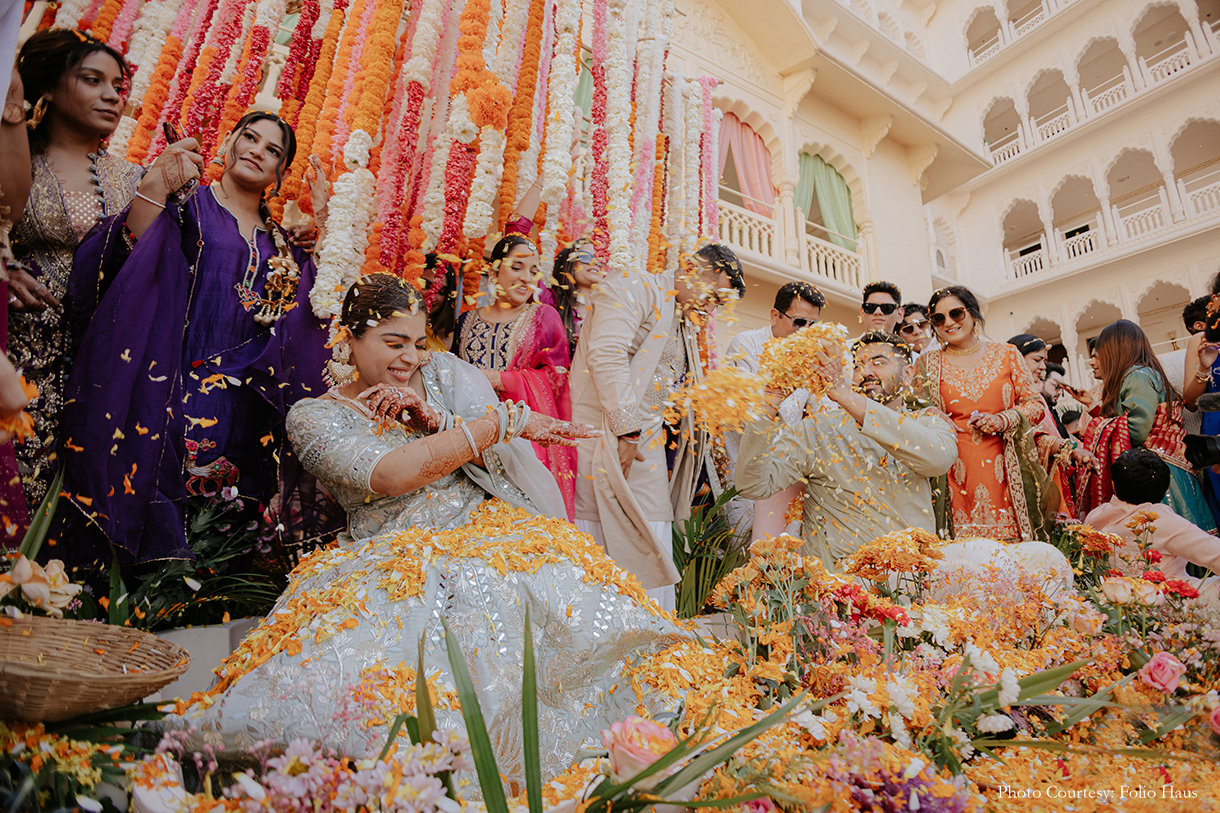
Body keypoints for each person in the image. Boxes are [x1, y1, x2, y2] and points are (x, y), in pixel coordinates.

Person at [172, 274, 689, 789]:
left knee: (580, 619)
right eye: (392, 343)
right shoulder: (315, 416)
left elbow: (498, 449)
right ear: (348, 339)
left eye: (418, 343)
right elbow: (393, 475)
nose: (409, 358)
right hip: (391, 556)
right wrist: (493, 425)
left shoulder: (440, 373)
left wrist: (441, 421)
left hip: (494, 532)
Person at [56, 112, 333, 568]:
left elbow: (310, 316)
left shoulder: (284, 244)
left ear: (281, 174)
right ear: (226, 143)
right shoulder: (190, 207)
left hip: (246, 415)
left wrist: (322, 227)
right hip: (170, 393)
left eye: (272, 151)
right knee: (157, 531)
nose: (256, 151)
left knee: (224, 547)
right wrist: (157, 185)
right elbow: (130, 250)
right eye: (249, 138)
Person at [7, 30, 165, 507]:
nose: (112, 96)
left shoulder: (134, 177)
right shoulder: (18, 158)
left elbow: (154, 262)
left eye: (118, 86)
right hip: (17, 349)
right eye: (93, 80)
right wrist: (5, 269)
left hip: (97, 363)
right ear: (49, 88)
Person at [570, 243, 744, 611]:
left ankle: (646, 652)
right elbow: (606, 353)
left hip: (645, 453)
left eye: (719, 302)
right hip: (608, 442)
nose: (711, 307)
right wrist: (627, 430)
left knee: (650, 549)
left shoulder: (682, 317)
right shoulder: (635, 285)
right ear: (690, 268)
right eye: (713, 295)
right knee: (605, 551)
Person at [735, 330, 957, 567]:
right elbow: (753, 486)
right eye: (858, 365)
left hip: (909, 579)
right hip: (840, 586)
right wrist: (766, 407)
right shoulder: (817, 430)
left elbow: (939, 459)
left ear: (908, 374)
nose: (866, 372)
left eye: (879, 362)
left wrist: (846, 397)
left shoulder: (927, 423)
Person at [916, 286, 1061, 541]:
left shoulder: (1006, 354)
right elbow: (912, 408)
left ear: (973, 314)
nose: (948, 322)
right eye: (938, 319)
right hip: (952, 473)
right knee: (961, 559)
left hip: (1006, 469)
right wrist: (931, 413)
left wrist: (1001, 420)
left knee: (1010, 558)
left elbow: (1035, 404)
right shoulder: (926, 364)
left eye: (956, 314)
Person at [454, 234, 576, 519]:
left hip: (523, 441)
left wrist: (500, 379)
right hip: (469, 443)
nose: (526, 278)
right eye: (517, 267)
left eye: (534, 271)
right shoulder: (465, 322)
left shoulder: (543, 317)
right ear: (493, 270)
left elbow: (557, 378)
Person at [1081, 320, 1214, 533]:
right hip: (1168, 470)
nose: (1093, 361)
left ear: (1116, 350)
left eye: (1100, 353)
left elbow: (1136, 429)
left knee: (1168, 540)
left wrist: (1098, 426)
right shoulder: (1145, 373)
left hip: (1159, 473)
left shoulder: (1136, 376)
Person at [723, 281, 824, 539]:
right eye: (800, 322)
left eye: (814, 326)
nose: (806, 333)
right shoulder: (745, 345)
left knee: (781, 553)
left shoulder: (812, 356)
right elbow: (743, 410)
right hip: (743, 468)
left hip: (785, 476)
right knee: (742, 550)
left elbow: (819, 413)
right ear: (775, 315)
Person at [1086, 448, 1220, 583]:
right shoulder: (1161, 520)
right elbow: (1216, 555)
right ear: (1167, 487)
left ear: (1113, 485)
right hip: (1164, 598)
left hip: (1108, 596)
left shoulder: (1096, 515)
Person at [1007, 334, 1091, 518]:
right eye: (1037, 360)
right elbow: (1027, 435)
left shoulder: (1033, 392)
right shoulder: (1008, 393)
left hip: (1050, 471)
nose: (1043, 367)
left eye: (1044, 361)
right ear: (1017, 358)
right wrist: (1063, 447)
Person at [540, 238, 604, 356]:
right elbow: (522, 266)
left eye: (599, 259)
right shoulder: (551, 301)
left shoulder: (609, 310)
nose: (594, 262)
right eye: (585, 257)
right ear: (567, 262)